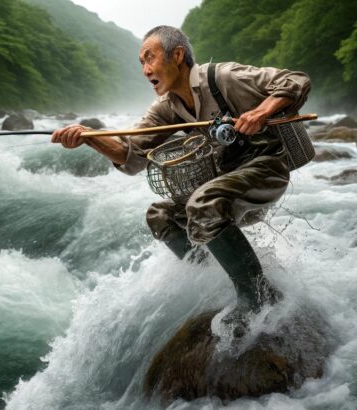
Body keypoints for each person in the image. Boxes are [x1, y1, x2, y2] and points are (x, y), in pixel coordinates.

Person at [52, 26, 310, 332]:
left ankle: (258, 294)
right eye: (141, 63)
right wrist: (89, 137)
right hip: (229, 181)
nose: (146, 70)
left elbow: (297, 80)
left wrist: (261, 111)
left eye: (150, 58)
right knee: (160, 216)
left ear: (177, 55)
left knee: (204, 203)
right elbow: (131, 157)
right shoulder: (165, 108)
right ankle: (218, 280)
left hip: (269, 167)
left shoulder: (224, 77)